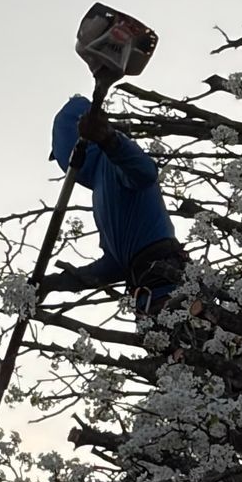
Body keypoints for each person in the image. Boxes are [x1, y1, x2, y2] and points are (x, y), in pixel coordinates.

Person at [44, 85, 190, 325]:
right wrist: (58, 283)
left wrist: (109, 140)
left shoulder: (113, 163)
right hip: (147, 296)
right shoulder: (100, 189)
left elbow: (144, 172)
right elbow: (114, 264)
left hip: (168, 287)